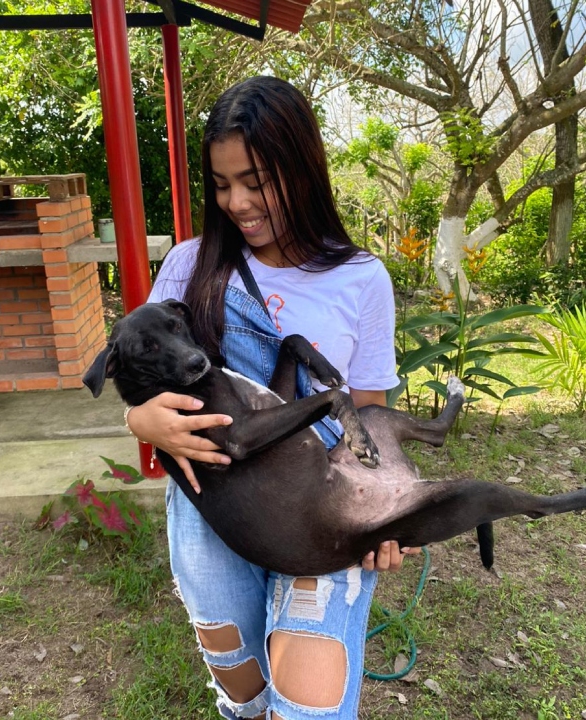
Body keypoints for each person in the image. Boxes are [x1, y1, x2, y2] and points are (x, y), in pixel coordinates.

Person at [124, 75, 414, 720]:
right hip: (211, 516)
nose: (237, 202)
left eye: (256, 181)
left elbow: (368, 410)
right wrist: (138, 418)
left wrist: (391, 505)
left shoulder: (360, 278)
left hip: (325, 510)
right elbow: (140, 376)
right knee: (244, 699)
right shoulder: (190, 265)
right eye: (223, 184)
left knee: (307, 709)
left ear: (303, 167)